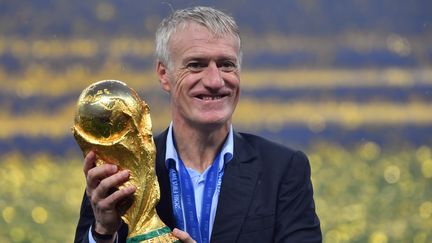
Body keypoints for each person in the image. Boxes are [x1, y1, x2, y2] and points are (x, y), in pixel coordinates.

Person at [74, 6, 321, 243]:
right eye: (196, 65)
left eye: (226, 64)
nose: (215, 80)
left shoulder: (283, 170)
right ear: (164, 74)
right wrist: (103, 234)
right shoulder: (119, 168)